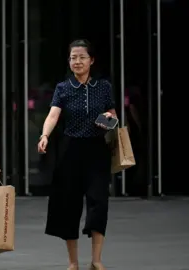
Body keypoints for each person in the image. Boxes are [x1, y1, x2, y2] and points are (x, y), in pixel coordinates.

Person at [38, 39, 116, 270]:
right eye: (73, 57)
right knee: (68, 205)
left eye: (82, 57)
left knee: (98, 203)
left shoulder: (104, 87)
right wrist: (44, 136)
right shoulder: (63, 88)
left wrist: (109, 120)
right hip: (70, 150)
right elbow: (53, 115)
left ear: (91, 60)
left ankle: (96, 260)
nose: (77, 61)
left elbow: (112, 114)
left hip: (97, 149)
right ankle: (73, 262)